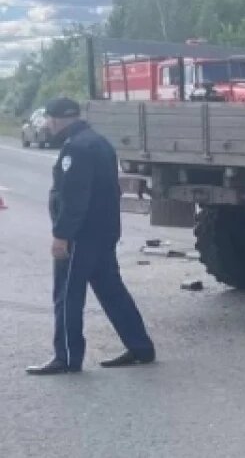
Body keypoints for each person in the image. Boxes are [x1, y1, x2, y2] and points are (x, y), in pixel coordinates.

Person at [26, 97, 156, 376]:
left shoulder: (76, 148)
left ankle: (67, 357)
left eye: (49, 119)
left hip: (80, 237)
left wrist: (62, 236)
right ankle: (140, 347)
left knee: (67, 295)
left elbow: (74, 199)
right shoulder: (99, 141)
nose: (47, 124)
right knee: (112, 291)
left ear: (60, 118)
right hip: (103, 232)